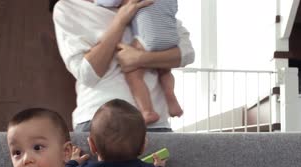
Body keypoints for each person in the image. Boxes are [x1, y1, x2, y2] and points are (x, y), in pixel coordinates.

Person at [51, 0, 195, 132]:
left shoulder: (146, 4)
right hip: (100, 120)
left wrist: (140, 58)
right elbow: (87, 75)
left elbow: (187, 53)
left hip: (154, 124)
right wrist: (120, 20)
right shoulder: (68, 7)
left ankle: (168, 101)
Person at [93, 0, 183, 125]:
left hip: (148, 37)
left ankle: (147, 111)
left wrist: (98, 2)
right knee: (164, 71)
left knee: (133, 73)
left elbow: (110, 2)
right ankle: (171, 99)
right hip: (170, 36)